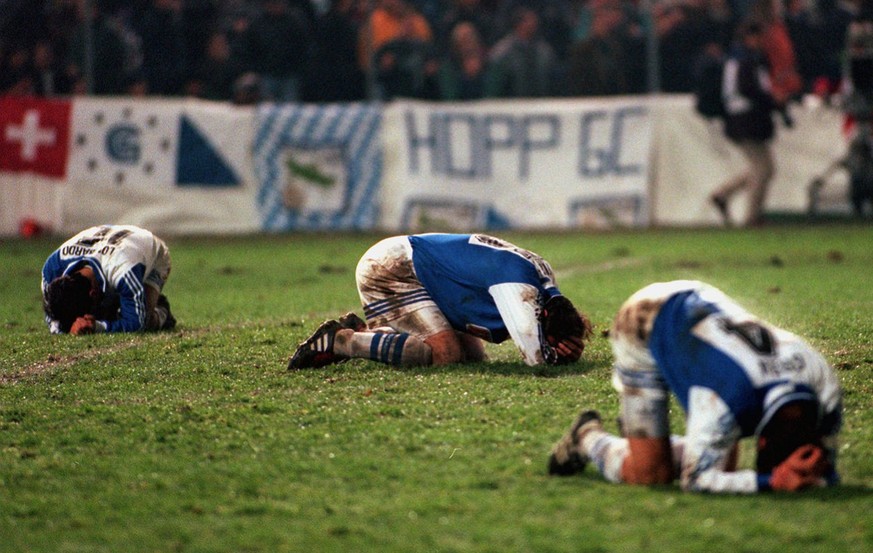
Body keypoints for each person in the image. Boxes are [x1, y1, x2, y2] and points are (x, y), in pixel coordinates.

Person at [548, 280, 842, 494]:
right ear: (762, 441)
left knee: (723, 463)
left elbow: (826, 460)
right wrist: (770, 481)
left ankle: (645, 441)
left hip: (699, 303)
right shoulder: (723, 403)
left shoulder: (822, 379)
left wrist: (822, 468)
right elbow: (697, 479)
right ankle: (587, 438)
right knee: (652, 473)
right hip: (640, 322)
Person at [288, 233, 592, 369]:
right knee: (444, 353)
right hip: (394, 267)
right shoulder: (518, 289)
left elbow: (551, 322)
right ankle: (340, 341)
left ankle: (370, 334)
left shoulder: (545, 284)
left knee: (471, 357)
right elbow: (535, 359)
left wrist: (566, 336)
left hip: (424, 272)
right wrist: (558, 354)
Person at [41, 225, 176, 335]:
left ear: (93, 294)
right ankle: (124, 300)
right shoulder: (51, 270)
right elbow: (52, 316)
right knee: (108, 312)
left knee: (144, 318)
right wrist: (61, 329)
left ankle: (162, 312)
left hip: (151, 252)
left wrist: (97, 326)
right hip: (110, 246)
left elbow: (136, 323)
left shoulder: (123, 269)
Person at [709, 21, 781, 227]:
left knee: (762, 167)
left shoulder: (736, 58)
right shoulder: (746, 60)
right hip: (746, 119)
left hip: (739, 118)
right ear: (749, 38)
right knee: (763, 167)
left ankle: (723, 194)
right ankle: (752, 216)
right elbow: (748, 89)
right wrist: (772, 101)